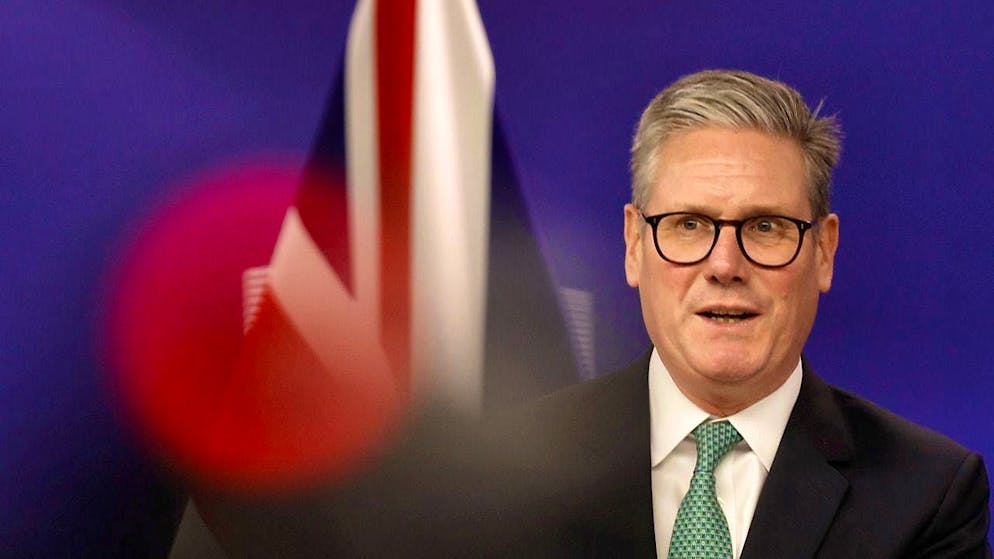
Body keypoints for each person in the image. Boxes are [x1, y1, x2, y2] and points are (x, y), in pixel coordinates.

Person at [195, 69, 991, 558]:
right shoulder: (513, 475)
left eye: (766, 228)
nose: (724, 263)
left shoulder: (926, 493)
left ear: (822, 252)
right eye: (686, 225)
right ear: (633, 247)